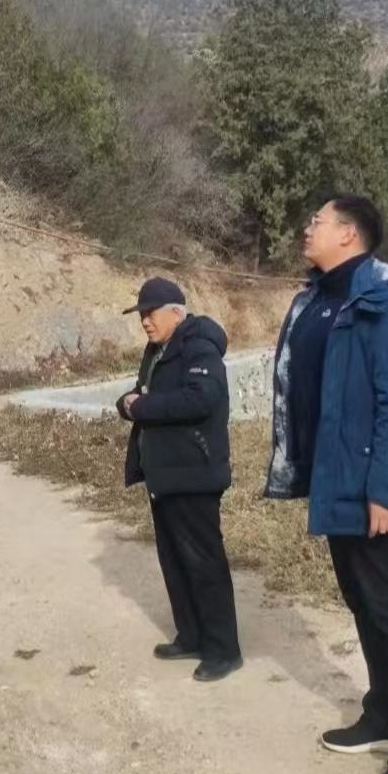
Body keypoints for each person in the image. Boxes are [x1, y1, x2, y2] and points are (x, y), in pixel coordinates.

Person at [262, 197, 388, 774]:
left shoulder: (382, 299)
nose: (306, 229)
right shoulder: (319, 298)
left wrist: (387, 491)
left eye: (317, 221)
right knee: (364, 603)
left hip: (374, 487)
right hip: (335, 478)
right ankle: (384, 715)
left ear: (348, 233)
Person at [114, 276, 242, 682]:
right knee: (174, 561)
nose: (145, 322)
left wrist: (142, 406)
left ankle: (223, 650)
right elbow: (139, 393)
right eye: (141, 315)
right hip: (165, 474)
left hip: (194, 473)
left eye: (150, 313)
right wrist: (126, 404)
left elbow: (202, 398)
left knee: (204, 563)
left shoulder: (198, 346)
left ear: (175, 312)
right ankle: (191, 635)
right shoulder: (157, 351)